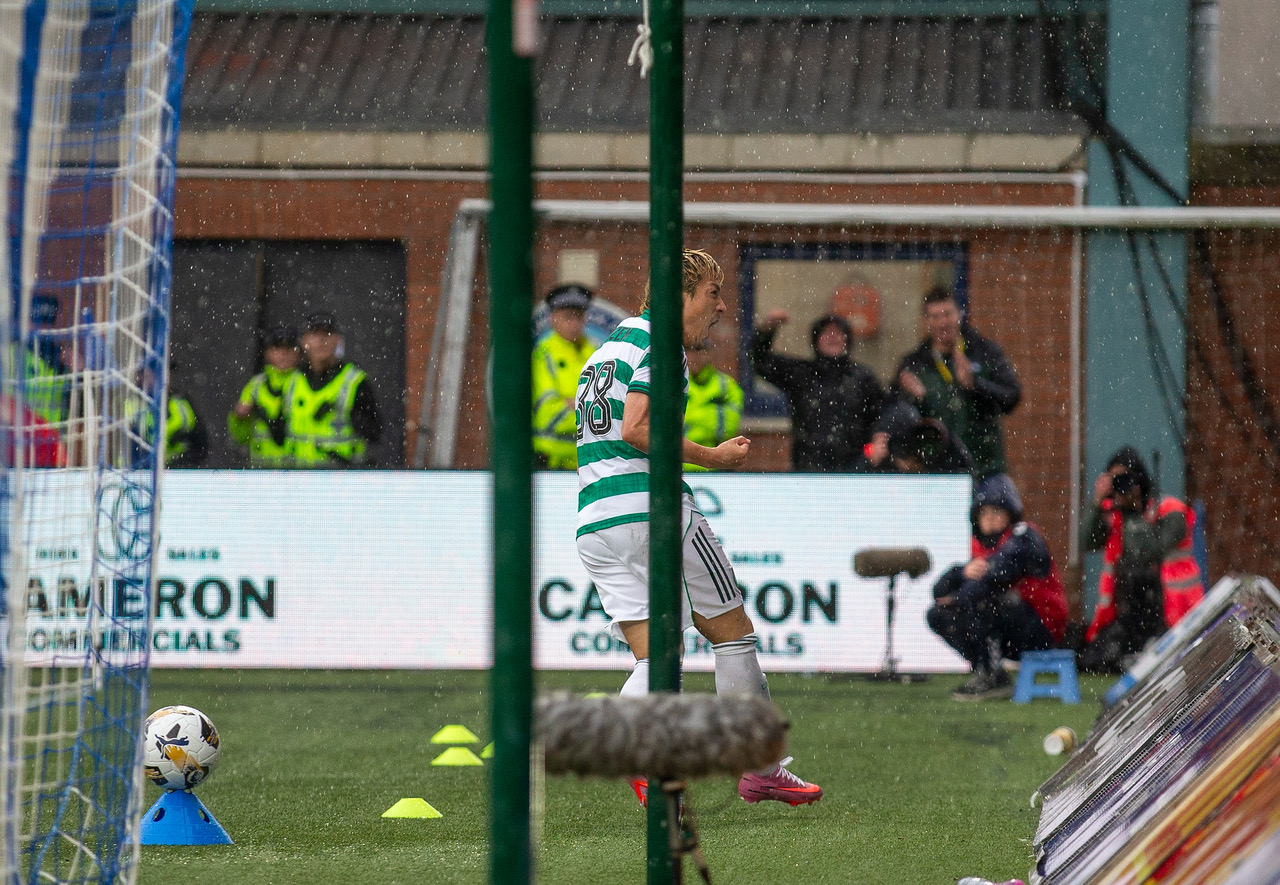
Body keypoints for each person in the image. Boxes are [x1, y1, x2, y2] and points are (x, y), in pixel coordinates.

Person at [575, 249, 822, 807]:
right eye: (713, 292)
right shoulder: (660, 344)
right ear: (679, 295)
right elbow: (636, 429)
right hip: (652, 513)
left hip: (595, 521)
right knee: (732, 630)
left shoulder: (608, 350)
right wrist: (713, 457)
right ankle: (758, 767)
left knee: (657, 658)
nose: (722, 305)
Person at [926, 474, 1068, 701]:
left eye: (996, 511)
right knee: (938, 614)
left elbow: (995, 575)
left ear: (1010, 512)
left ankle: (992, 675)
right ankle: (986, 669)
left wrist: (959, 597)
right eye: (984, 513)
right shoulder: (983, 548)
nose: (990, 518)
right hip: (1008, 632)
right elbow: (939, 591)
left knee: (987, 600)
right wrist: (962, 572)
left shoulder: (1024, 536)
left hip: (1040, 629)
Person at [1080, 447, 1206, 673]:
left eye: (1125, 479)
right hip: (1129, 612)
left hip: (1174, 613)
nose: (1121, 486)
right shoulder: (1114, 513)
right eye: (1114, 480)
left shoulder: (1169, 510)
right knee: (1094, 659)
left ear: (1139, 480)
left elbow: (1149, 551)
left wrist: (1134, 512)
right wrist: (1097, 502)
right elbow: (1087, 542)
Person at [894, 285, 1020, 479]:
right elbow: (894, 415)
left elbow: (1011, 397)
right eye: (935, 316)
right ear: (925, 321)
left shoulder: (984, 351)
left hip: (985, 469)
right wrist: (916, 398)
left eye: (947, 314)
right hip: (935, 473)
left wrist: (975, 384)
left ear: (959, 315)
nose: (942, 322)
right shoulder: (914, 363)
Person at [749, 309, 882, 472]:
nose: (833, 337)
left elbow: (881, 415)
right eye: (826, 333)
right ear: (816, 340)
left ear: (847, 340)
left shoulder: (863, 378)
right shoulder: (801, 374)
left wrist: (877, 443)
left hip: (855, 469)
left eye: (838, 333)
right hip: (808, 468)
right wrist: (767, 330)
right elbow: (759, 360)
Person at [283, 312, 382, 467]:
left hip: (341, 474)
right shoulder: (292, 381)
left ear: (337, 340)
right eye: (315, 334)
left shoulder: (354, 381)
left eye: (328, 334)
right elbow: (278, 435)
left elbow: (375, 432)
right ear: (304, 341)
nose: (321, 340)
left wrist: (351, 415)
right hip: (299, 474)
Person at [532, 284, 597, 470]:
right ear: (553, 318)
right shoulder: (542, 354)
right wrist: (589, 410)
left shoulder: (595, 353)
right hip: (550, 463)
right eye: (567, 317)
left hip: (587, 463)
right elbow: (548, 415)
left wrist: (573, 404)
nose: (574, 324)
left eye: (579, 317)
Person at [228, 326, 299, 467]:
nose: (283, 353)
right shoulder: (255, 386)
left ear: (299, 352)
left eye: (289, 348)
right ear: (268, 352)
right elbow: (240, 437)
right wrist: (239, 419)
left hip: (296, 468)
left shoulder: (304, 382)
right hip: (261, 468)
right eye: (277, 347)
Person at [854, 400, 972, 475]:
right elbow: (851, 482)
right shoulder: (881, 460)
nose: (904, 449)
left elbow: (965, 472)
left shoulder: (931, 446)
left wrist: (920, 465)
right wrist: (869, 461)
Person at [682, 347, 744, 472]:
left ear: (708, 354)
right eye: (690, 351)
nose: (695, 357)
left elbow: (728, 427)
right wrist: (711, 414)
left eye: (700, 351)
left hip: (717, 468)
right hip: (680, 466)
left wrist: (690, 418)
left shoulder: (726, 385)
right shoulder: (672, 383)